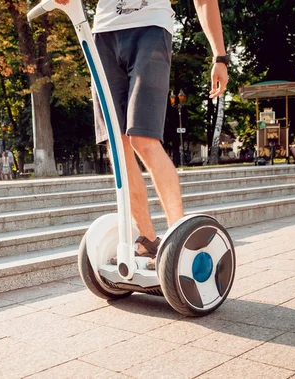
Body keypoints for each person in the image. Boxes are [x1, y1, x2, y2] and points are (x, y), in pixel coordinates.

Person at [92, 0, 228, 269]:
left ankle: (179, 240)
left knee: (142, 138)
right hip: (102, 34)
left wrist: (219, 56)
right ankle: (147, 241)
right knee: (117, 145)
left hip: (150, 28)